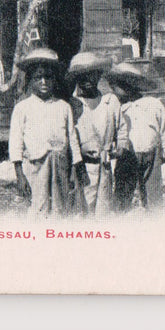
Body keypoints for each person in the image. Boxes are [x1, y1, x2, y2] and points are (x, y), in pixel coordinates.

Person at [8, 48, 83, 216]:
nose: (43, 82)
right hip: (35, 166)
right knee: (38, 208)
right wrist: (20, 175)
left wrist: (74, 169)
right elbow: (15, 142)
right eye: (38, 77)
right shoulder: (22, 108)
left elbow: (72, 139)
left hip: (60, 164)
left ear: (54, 79)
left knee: (60, 208)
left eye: (48, 77)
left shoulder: (63, 107)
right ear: (31, 81)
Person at [67, 52, 129, 216]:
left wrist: (122, 146)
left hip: (105, 165)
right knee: (84, 210)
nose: (87, 80)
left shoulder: (110, 101)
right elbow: (69, 136)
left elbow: (121, 127)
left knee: (104, 208)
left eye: (92, 75)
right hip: (83, 166)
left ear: (99, 75)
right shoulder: (73, 105)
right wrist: (76, 163)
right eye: (83, 76)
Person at [106, 62, 165, 211]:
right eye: (116, 86)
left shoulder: (153, 103)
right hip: (127, 154)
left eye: (123, 85)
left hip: (151, 152)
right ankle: (120, 214)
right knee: (123, 188)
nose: (117, 90)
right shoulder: (116, 107)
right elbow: (111, 129)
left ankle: (154, 214)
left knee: (152, 187)